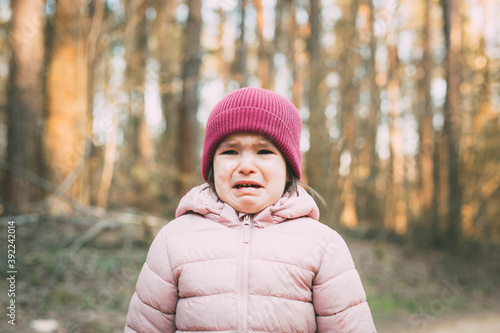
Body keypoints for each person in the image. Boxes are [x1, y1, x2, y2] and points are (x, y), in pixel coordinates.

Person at [124, 87, 377, 332]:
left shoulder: (323, 246)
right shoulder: (173, 241)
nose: (246, 165)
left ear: (288, 168)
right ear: (211, 166)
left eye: (264, 151)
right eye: (230, 151)